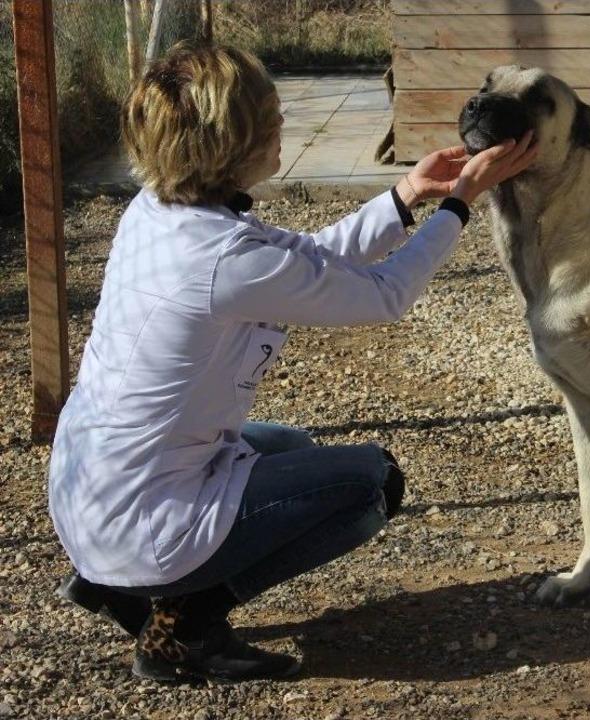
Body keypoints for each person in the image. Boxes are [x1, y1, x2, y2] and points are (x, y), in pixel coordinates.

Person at [48, 41, 537, 684]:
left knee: (289, 448)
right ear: (234, 140)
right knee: (368, 485)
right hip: (138, 518)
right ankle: (184, 625)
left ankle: (115, 585)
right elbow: (385, 295)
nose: (284, 125)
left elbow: (312, 257)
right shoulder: (225, 259)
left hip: (93, 491)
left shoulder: (161, 211)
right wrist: (459, 204)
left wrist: (409, 191)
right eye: (272, 116)